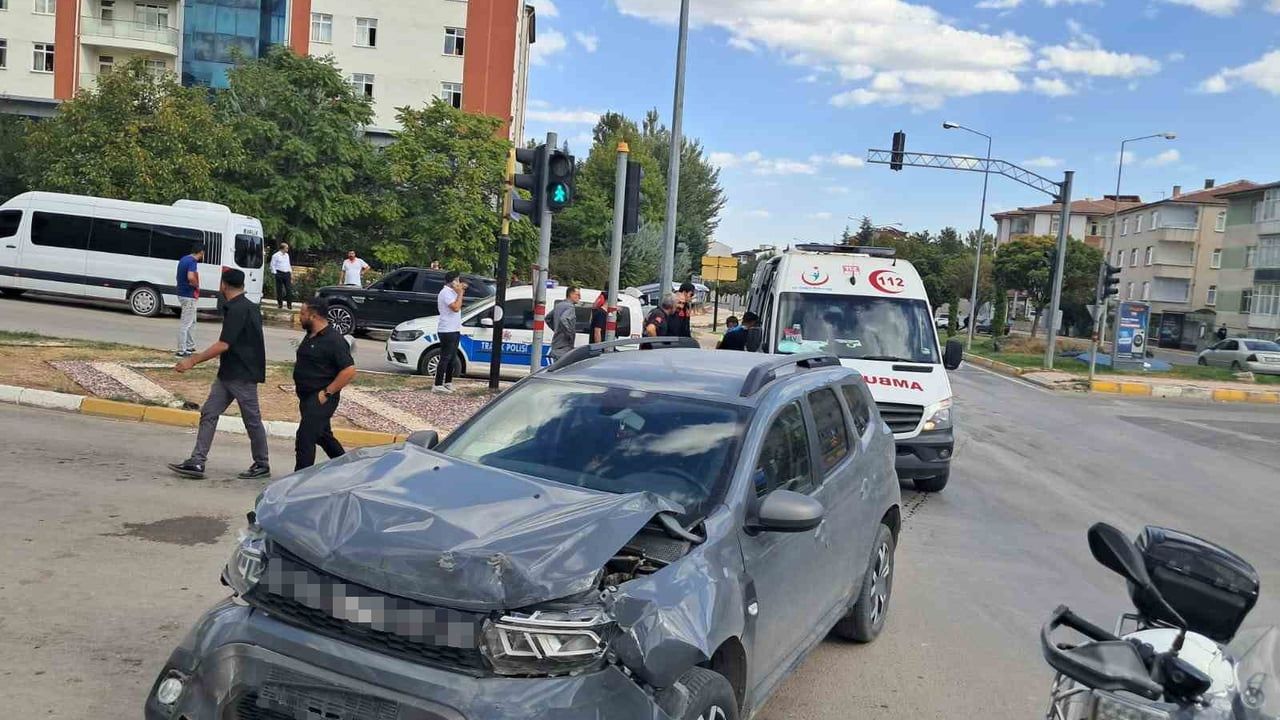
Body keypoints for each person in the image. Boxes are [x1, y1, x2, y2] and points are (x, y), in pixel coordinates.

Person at [167, 269, 269, 480]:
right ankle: (197, 462)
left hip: (242, 375)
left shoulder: (238, 309)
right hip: (229, 373)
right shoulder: (249, 307)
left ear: (224, 285)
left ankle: (262, 464)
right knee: (209, 413)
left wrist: (192, 360)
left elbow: (224, 344)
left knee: (252, 420)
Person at [292, 297, 357, 471]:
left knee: (305, 438)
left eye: (303, 313)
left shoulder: (334, 340)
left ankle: (298, 481)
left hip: (321, 398)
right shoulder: (310, 335)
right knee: (322, 435)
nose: (299, 317)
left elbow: (349, 370)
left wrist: (327, 393)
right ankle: (348, 469)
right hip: (306, 397)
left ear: (313, 316)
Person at [433, 271, 466, 393]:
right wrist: (460, 293)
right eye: (456, 280)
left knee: (452, 357)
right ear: (452, 282)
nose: (458, 283)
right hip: (447, 330)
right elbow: (456, 308)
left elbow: (463, 290)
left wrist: (461, 289)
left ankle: (448, 382)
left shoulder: (453, 292)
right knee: (445, 357)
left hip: (455, 328)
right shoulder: (445, 293)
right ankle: (437, 384)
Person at [175, 243, 204, 357]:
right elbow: (191, 276)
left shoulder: (183, 259)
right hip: (188, 295)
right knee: (186, 323)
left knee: (192, 321)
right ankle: (181, 350)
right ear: (201, 252)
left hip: (182, 293)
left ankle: (189, 345)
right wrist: (196, 285)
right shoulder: (192, 262)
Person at [550, 286, 581, 361]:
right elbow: (563, 319)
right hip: (565, 345)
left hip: (556, 344)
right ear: (571, 294)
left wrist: (556, 329)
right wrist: (569, 334)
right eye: (578, 295)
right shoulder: (570, 307)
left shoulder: (559, 305)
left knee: (556, 369)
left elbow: (548, 318)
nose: (580, 298)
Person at [270, 242, 293, 310]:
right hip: (279, 273)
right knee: (279, 289)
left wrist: (290, 272)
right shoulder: (276, 255)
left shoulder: (287, 255)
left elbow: (288, 264)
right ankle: (280, 304)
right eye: (287, 248)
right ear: (283, 248)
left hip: (287, 273)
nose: (288, 249)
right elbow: (272, 265)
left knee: (288, 289)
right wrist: (275, 273)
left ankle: (289, 304)